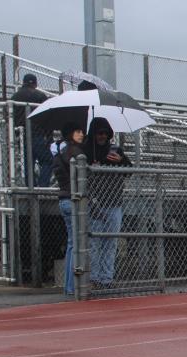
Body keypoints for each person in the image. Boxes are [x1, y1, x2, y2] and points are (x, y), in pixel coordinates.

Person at [83, 118, 132, 288]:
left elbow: (129, 171)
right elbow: (76, 173)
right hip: (94, 202)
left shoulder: (116, 150)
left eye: (105, 133)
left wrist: (121, 161)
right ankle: (94, 277)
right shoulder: (86, 150)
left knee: (110, 242)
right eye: (99, 133)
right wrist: (91, 167)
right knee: (94, 242)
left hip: (114, 201)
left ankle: (107, 278)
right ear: (93, 134)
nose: (102, 136)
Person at [52, 122, 85, 295]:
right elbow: (83, 176)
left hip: (64, 199)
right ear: (70, 133)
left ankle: (69, 286)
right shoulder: (75, 152)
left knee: (72, 243)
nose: (81, 134)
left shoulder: (60, 152)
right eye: (78, 131)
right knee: (77, 243)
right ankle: (73, 286)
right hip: (73, 200)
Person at [11, 73, 52, 187]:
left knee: (28, 163)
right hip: (38, 134)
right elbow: (47, 116)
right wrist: (49, 137)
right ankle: (43, 186)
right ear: (35, 83)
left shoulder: (15, 96)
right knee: (48, 160)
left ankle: (31, 187)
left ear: (23, 83)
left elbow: (10, 117)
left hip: (21, 135)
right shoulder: (40, 95)